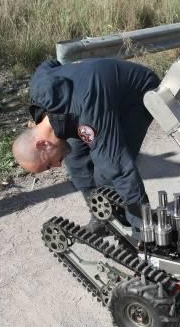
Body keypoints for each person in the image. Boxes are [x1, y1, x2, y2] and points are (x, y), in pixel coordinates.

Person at [12, 58, 160, 233]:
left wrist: (143, 227)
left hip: (137, 93)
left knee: (108, 168)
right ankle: (103, 216)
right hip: (94, 100)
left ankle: (144, 227)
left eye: (49, 164)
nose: (57, 165)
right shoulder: (40, 95)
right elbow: (48, 65)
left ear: (43, 144)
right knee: (76, 161)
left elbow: (118, 167)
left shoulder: (87, 115)